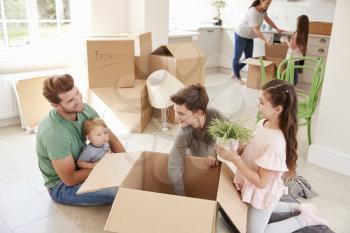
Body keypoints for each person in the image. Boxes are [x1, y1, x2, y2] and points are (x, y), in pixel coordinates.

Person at [216, 79, 327, 233]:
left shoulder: (276, 143)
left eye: (261, 102)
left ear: (278, 109)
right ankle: (296, 207)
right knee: (259, 205)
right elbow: (253, 149)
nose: (257, 105)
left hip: (261, 189)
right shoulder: (263, 122)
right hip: (252, 184)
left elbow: (262, 183)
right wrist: (238, 149)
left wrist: (235, 159)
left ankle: (303, 219)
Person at [36, 74, 125, 205]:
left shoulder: (84, 109)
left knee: (132, 177)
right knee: (119, 191)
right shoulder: (54, 134)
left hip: (86, 166)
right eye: (71, 100)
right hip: (62, 186)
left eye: (77, 92)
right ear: (56, 105)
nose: (79, 100)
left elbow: (112, 140)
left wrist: (126, 166)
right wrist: (105, 167)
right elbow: (70, 179)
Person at [168, 83, 226, 196]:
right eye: (175, 111)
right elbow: (173, 166)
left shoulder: (216, 116)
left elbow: (233, 137)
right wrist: (181, 197)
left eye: (181, 113)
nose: (176, 117)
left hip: (214, 171)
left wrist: (217, 156)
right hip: (195, 168)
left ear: (200, 113)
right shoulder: (184, 131)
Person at [233, 0, 283, 85]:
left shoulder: (263, 11)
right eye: (267, 3)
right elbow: (256, 30)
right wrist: (266, 40)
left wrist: (277, 28)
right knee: (237, 57)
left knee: (249, 57)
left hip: (249, 37)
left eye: (269, 4)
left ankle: (235, 70)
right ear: (261, 1)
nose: (268, 5)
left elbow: (268, 20)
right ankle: (237, 77)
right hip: (241, 34)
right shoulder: (253, 11)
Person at [283, 15, 309, 85]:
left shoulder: (297, 33)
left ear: (300, 24)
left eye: (297, 22)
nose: (296, 23)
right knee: (294, 72)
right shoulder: (304, 33)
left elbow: (292, 47)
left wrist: (286, 41)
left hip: (293, 56)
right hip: (298, 56)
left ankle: (290, 87)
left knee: (290, 73)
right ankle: (293, 86)